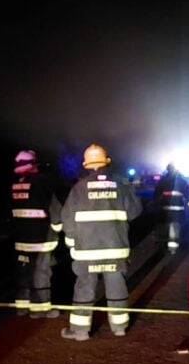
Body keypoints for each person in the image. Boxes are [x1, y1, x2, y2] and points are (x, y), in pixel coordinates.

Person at [59, 143, 142, 340]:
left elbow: (67, 219)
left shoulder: (78, 189)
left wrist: (71, 243)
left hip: (87, 250)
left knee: (85, 287)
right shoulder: (120, 186)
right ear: (106, 163)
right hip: (116, 248)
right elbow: (135, 211)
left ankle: (80, 331)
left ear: (87, 165)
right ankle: (119, 327)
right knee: (116, 285)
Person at [9, 149, 63, 319]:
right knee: (42, 272)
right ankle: (39, 309)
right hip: (41, 238)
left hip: (21, 239)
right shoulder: (42, 183)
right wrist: (58, 229)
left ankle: (22, 306)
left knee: (25, 271)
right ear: (32, 165)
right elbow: (56, 211)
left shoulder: (14, 184)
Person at [152, 162, 189, 254]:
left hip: (164, 211)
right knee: (174, 230)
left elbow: (156, 196)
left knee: (163, 229)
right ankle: (172, 250)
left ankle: (161, 246)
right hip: (177, 212)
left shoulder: (162, 181)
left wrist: (155, 206)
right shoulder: (182, 181)